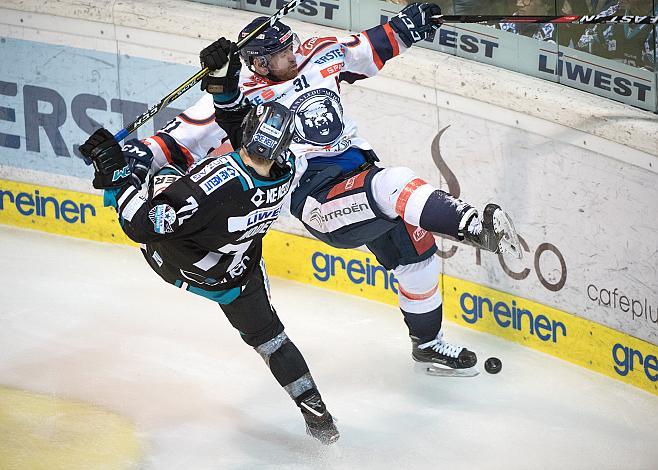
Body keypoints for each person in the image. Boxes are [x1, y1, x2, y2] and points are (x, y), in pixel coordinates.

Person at [120, 3, 522, 377]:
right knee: (395, 183)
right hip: (318, 201)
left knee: (418, 259)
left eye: (291, 45)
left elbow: (370, 47)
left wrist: (409, 24)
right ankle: (474, 227)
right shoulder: (235, 97)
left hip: (361, 179)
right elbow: (174, 142)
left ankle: (428, 346)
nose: (292, 56)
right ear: (258, 62)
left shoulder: (319, 56)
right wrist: (133, 156)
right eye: (280, 53)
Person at [79, 102, 340, 445]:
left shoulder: (212, 182)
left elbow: (141, 226)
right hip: (238, 271)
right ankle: (319, 419)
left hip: (178, 263)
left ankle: (119, 179)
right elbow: (242, 133)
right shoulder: (286, 168)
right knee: (272, 341)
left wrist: (117, 176)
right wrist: (225, 86)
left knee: (161, 172)